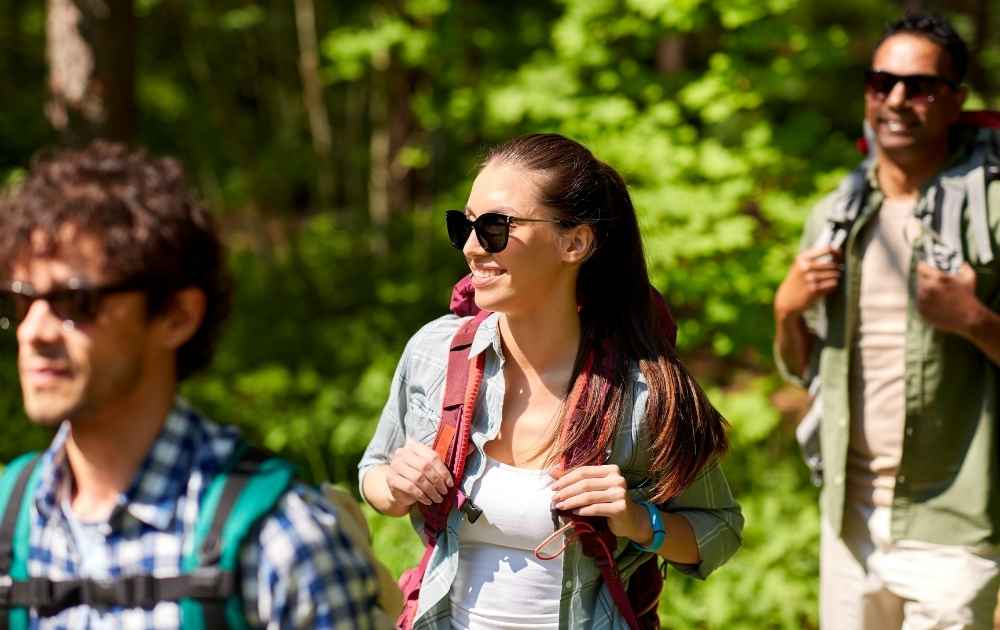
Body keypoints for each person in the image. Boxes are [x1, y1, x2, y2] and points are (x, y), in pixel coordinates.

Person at [360, 133, 744, 629]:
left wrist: (636, 520)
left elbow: (720, 529)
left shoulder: (642, 395)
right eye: (465, 226)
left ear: (575, 242)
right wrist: (393, 484)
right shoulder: (434, 354)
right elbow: (373, 471)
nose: (474, 248)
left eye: (497, 227)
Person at [0, 141, 379, 629]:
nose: (34, 331)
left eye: (76, 302)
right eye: (22, 302)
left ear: (176, 316)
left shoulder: (282, 539)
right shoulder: (11, 521)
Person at [774, 13, 1000, 630]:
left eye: (920, 86)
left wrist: (976, 320)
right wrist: (786, 308)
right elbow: (801, 368)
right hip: (848, 518)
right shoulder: (836, 214)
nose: (897, 100)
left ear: (956, 101)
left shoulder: (993, 212)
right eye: (882, 83)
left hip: (953, 520)